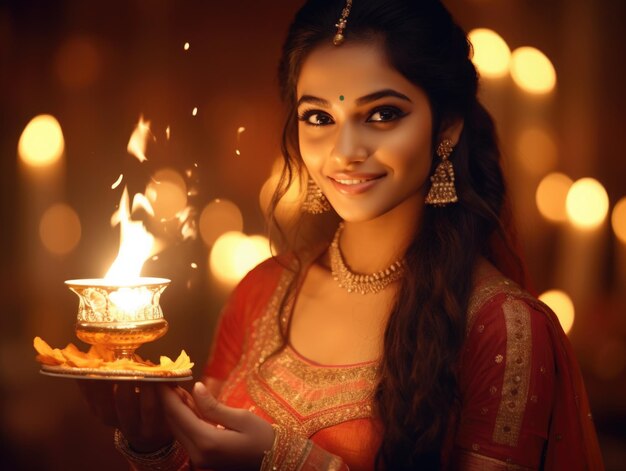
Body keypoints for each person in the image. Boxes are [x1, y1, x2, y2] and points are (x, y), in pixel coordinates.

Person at [81, 0, 604, 469]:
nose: (345, 149)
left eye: (381, 114)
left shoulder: (503, 330)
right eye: (319, 117)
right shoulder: (263, 292)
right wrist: (153, 445)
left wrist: (288, 464)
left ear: (446, 125)